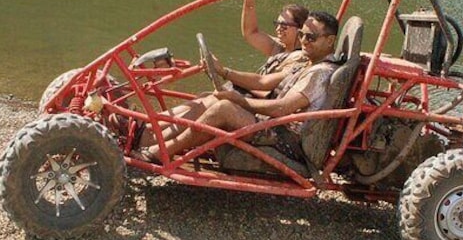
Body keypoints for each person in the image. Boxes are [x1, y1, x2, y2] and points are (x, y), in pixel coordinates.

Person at [134, 11, 339, 163]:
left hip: (285, 138)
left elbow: (282, 108)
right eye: (302, 35)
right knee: (214, 99)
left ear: (330, 41)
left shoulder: (320, 73)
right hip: (273, 124)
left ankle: (158, 153)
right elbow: (262, 82)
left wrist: (239, 101)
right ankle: (148, 134)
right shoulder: (307, 62)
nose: (304, 41)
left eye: (311, 37)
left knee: (224, 108)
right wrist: (223, 71)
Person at [241, 0, 309, 75]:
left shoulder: (304, 57)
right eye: (277, 24)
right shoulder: (277, 47)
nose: (278, 29)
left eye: (284, 26)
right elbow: (250, 33)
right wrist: (249, 2)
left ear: (300, 29)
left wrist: (227, 73)